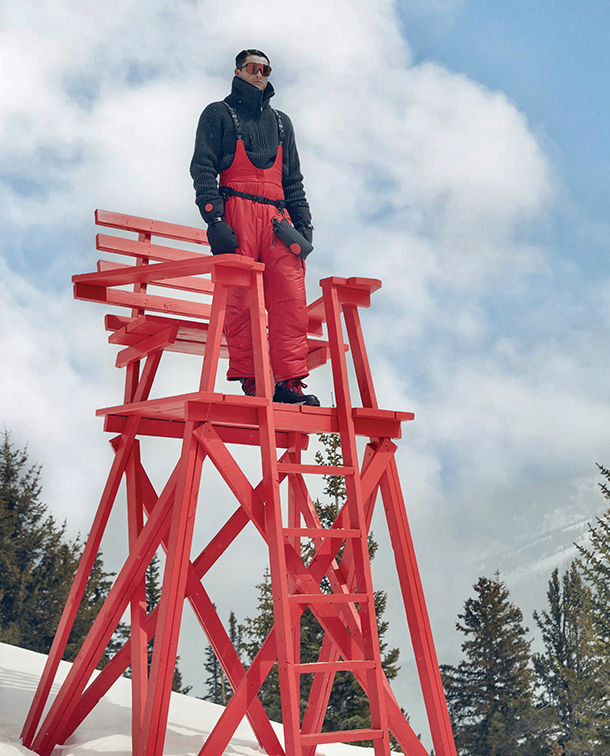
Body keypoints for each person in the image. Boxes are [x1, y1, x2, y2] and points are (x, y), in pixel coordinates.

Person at [190, 49, 319, 406]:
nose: (260, 74)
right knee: (241, 300)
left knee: (290, 298)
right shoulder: (218, 114)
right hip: (238, 211)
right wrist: (214, 218)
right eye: (253, 68)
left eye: (266, 69)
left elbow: (293, 179)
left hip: (279, 220)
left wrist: (303, 219)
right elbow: (203, 167)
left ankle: (289, 384)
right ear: (238, 71)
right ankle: (254, 380)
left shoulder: (281, 123)